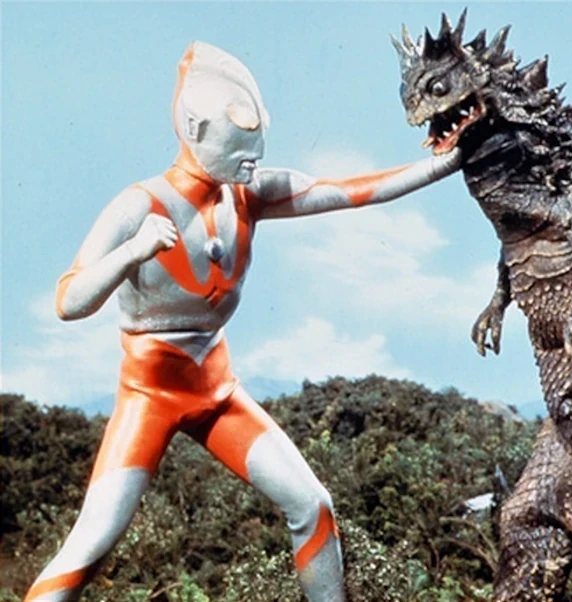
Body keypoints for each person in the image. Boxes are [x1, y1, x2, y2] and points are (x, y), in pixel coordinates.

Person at [24, 41, 460, 602]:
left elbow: (347, 192)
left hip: (218, 391)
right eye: (239, 154)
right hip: (150, 396)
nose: (250, 166)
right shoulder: (138, 207)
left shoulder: (246, 195)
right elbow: (68, 301)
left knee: (312, 505)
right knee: (89, 545)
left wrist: (445, 163)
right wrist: (131, 252)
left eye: (255, 154)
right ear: (194, 130)